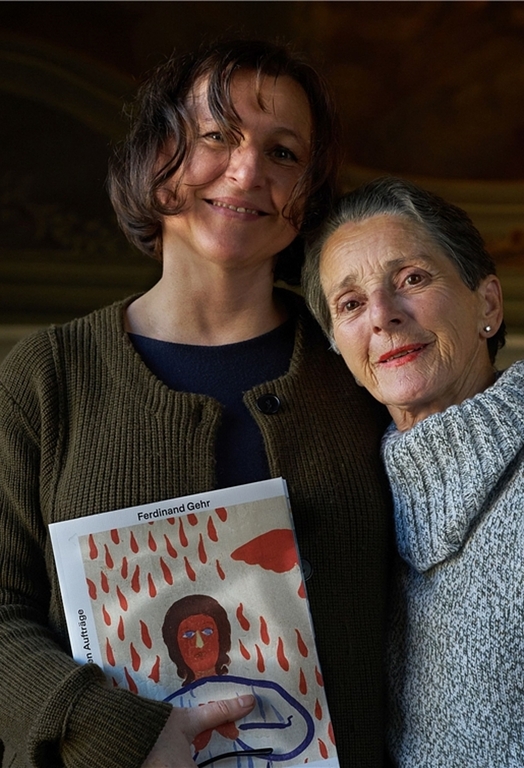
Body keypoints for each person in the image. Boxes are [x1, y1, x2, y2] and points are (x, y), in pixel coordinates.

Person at [0, 41, 392, 768]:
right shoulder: (45, 378)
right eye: (217, 136)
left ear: (309, 190)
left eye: (283, 153)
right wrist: (116, 735)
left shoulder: (363, 365)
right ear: (158, 154)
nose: (247, 171)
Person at [303, 175, 524, 767]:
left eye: (412, 280)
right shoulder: (352, 507)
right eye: (350, 304)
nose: (382, 316)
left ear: (488, 304)